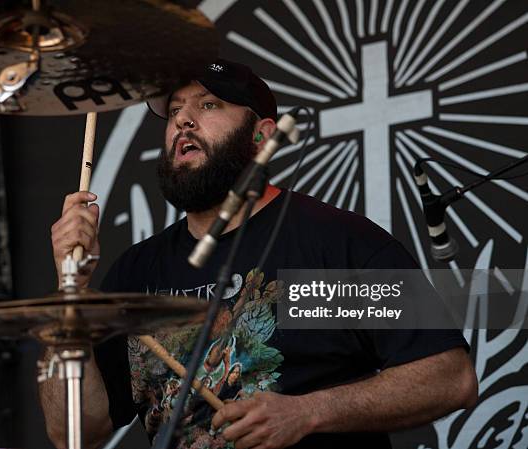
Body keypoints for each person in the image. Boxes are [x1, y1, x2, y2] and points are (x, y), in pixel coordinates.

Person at [41, 59, 478, 449]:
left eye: (208, 105)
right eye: (174, 111)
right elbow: (74, 433)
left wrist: (307, 413)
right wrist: (70, 290)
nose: (183, 122)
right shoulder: (137, 275)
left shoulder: (329, 245)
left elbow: (448, 378)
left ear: (262, 136)